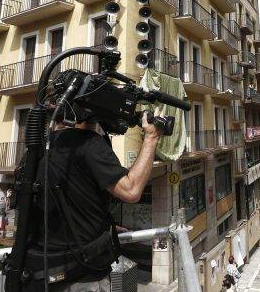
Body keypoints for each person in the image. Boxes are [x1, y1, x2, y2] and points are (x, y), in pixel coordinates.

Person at [29, 109, 165, 291]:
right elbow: (131, 190)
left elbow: (61, 199)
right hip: (81, 275)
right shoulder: (89, 144)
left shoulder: (40, 148)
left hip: (39, 272)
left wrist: (99, 224)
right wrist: (151, 137)